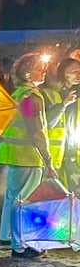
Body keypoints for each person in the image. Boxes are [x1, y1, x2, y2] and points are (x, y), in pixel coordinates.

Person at [0, 53, 56, 259]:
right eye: (40, 67)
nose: (44, 71)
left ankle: (7, 238)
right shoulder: (32, 96)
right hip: (28, 156)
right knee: (23, 201)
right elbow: (36, 130)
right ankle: (20, 246)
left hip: (15, 154)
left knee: (13, 197)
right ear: (29, 72)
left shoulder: (19, 93)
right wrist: (48, 159)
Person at [41, 58, 80, 193]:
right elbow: (48, 123)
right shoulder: (49, 94)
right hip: (54, 155)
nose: (78, 75)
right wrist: (63, 104)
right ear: (63, 73)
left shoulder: (77, 94)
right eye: (73, 72)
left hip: (73, 153)